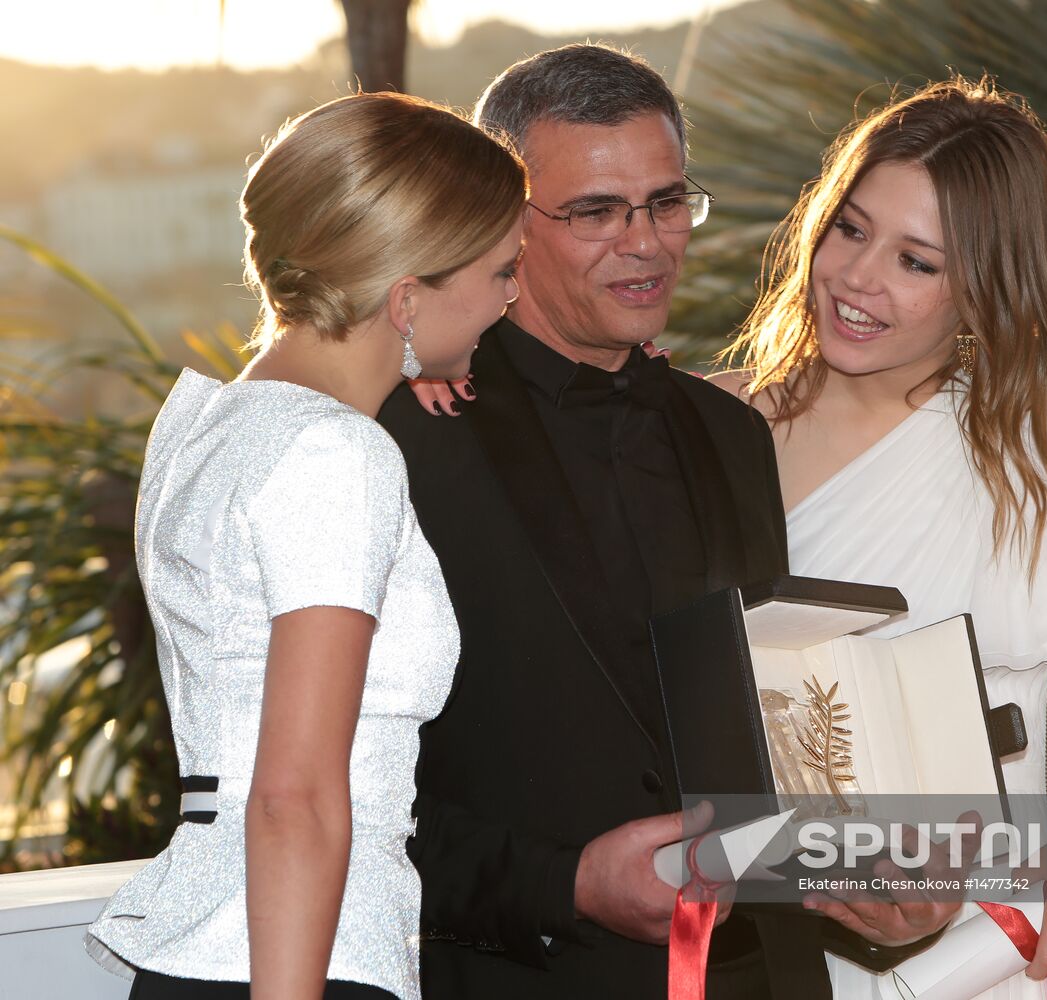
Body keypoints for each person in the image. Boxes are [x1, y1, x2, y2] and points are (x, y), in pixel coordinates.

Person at [382, 44, 947, 1000]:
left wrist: (870, 884)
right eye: (595, 212)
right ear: (501, 225)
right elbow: (339, 794)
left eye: (666, 201)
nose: (645, 243)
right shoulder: (406, 433)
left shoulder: (732, 432)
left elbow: (760, 740)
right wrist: (564, 888)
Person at [717, 76, 1047, 998]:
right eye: (851, 229)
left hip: (1043, 913)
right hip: (826, 915)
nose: (859, 279)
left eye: (918, 262)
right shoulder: (718, 424)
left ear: (984, 285)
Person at [84, 92, 527, 1000]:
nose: (512, 297)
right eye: (500, 271)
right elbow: (295, 797)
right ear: (406, 298)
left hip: (210, 949)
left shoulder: (207, 427)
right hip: (300, 962)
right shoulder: (337, 453)